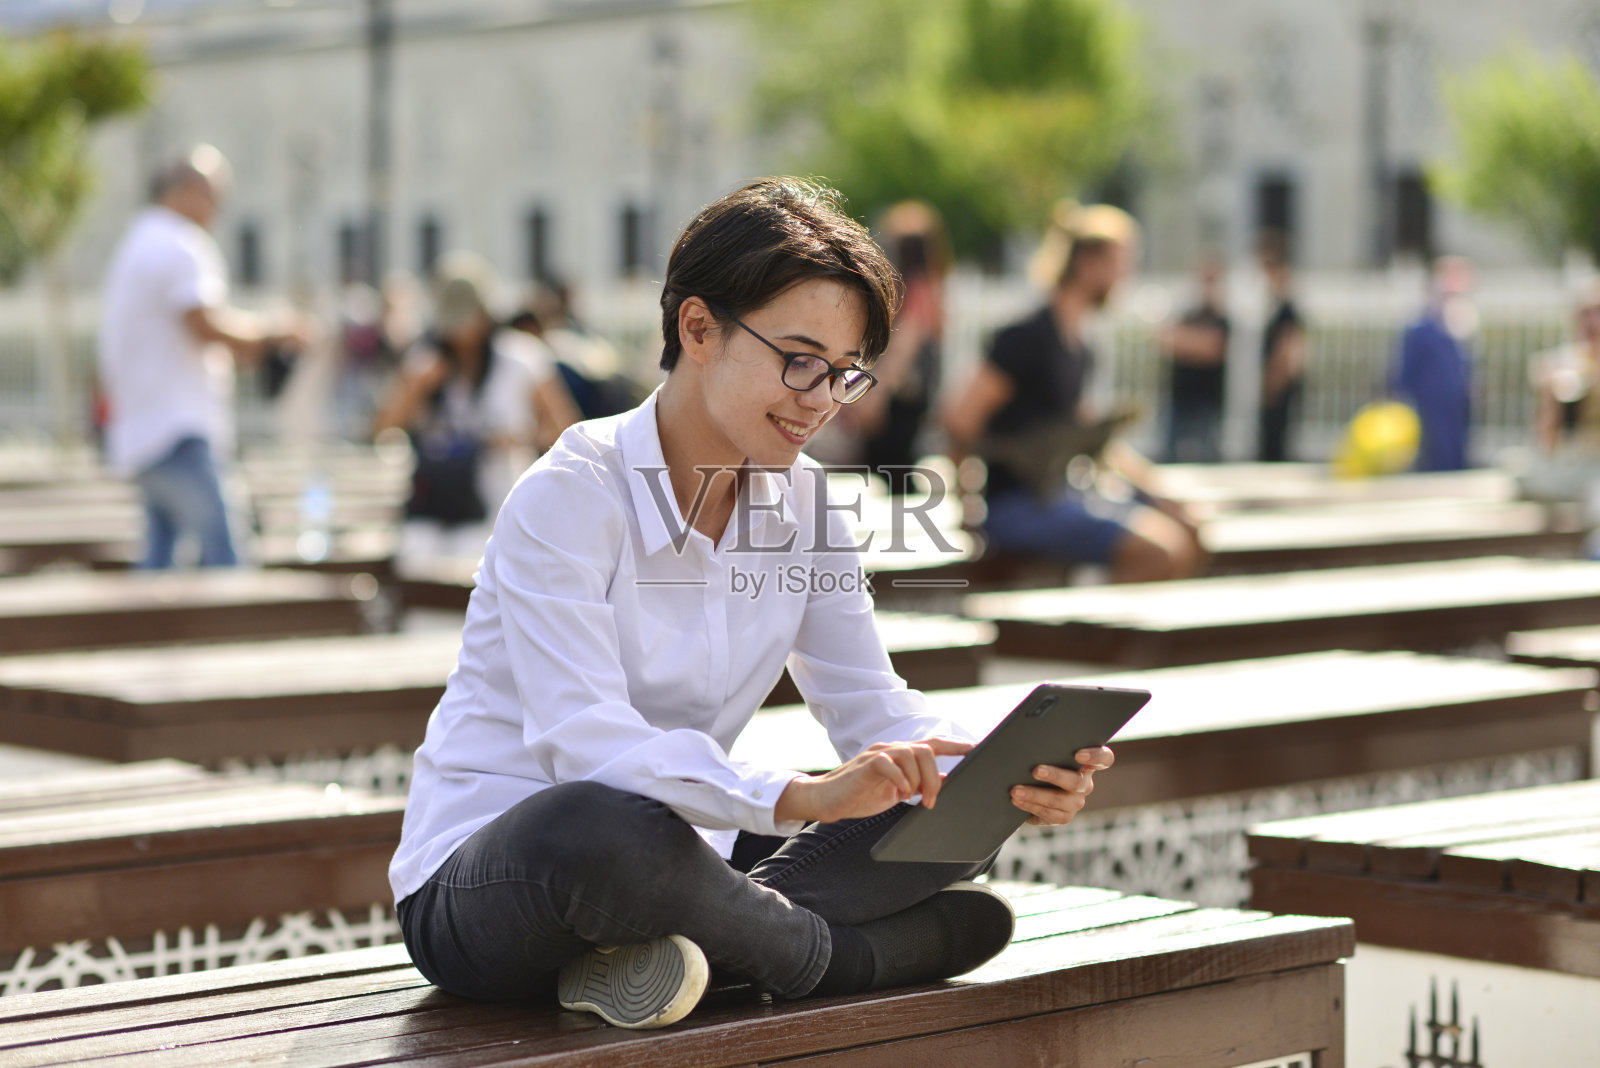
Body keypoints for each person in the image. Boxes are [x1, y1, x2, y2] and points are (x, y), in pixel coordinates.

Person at [389, 178, 1116, 1030]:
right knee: (603, 825)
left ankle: (688, 955)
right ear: (698, 328)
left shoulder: (806, 505)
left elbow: (868, 704)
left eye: (844, 375)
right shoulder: (573, 494)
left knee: (952, 809)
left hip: (696, 861)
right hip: (500, 875)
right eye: (799, 360)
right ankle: (830, 958)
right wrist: (799, 795)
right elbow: (583, 744)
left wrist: (993, 769)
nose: (820, 399)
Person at [940, 201, 1205, 583]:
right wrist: (965, 510)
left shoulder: (1080, 346)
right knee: (1158, 549)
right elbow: (958, 419)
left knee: (1190, 528)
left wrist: (1162, 494)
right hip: (1015, 505)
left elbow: (1095, 443)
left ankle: (1107, 622)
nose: (1125, 276)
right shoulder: (1027, 336)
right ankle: (1091, 633)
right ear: (1088, 263)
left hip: (1061, 496)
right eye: (1121, 263)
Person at [97, 144, 310, 569]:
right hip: (178, 432)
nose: (217, 210)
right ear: (189, 190)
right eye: (215, 196)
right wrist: (273, 333)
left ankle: (143, 637)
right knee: (226, 561)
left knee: (160, 566)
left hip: (143, 432)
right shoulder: (179, 243)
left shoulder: (139, 240)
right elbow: (207, 325)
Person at [372, 252, 579, 557]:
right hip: (438, 508)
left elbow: (566, 431)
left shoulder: (521, 357)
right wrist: (416, 388)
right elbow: (384, 428)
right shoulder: (426, 361)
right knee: (416, 558)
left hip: (502, 504)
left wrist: (515, 439)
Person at [833, 201, 950, 494]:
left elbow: (901, 352)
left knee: (890, 476)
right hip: (913, 399)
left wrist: (874, 399)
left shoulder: (914, 290)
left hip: (897, 402)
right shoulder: (932, 290)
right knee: (898, 473)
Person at [1392, 255, 1475, 472]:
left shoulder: (1460, 320)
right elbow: (1408, 366)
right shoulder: (1422, 323)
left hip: (1454, 399)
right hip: (1429, 398)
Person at [1160, 255, 1231, 463]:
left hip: (1207, 398)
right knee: (1170, 453)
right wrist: (1195, 343)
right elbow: (1166, 340)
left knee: (1207, 455)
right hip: (1181, 395)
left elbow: (1213, 349)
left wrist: (1187, 342)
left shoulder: (1222, 317)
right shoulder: (1187, 312)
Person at [1257, 235, 1306, 463]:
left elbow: (1289, 348)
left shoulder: (1287, 310)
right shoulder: (1277, 307)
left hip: (1280, 386)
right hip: (1277, 384)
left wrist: (1274, 382)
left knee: (1275, 443)